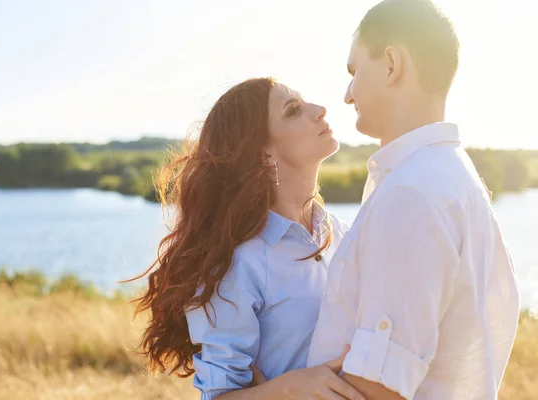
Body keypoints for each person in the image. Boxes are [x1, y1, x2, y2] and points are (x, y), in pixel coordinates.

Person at [306, 1, 520, 399]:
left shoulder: (411, 194)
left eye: (354, 71)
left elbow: (378, 390)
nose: (347, 94)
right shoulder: (454, 179)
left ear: (391, 64)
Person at [128, 77, 365, 400]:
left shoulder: (342, 232)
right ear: (265, 153)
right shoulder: (239, 262)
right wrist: (290, 387)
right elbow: (217, 395)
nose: (320, 109)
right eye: (294, 110)